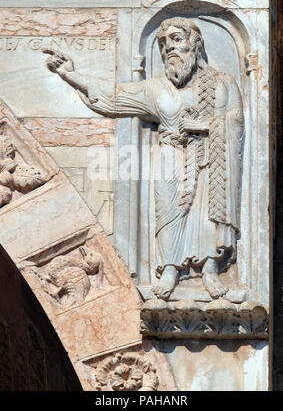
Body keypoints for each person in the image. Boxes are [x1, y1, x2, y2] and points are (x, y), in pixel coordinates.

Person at [42, 17, 244, 301]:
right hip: (170, 155)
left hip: (209, 159)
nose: (169, 48)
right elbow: (114, 96)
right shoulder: (157, 88)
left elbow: (236, 120)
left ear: (194, 43)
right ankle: (171, 270)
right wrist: (70, 74)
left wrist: (207, 126)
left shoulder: (222, 83)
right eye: (163, 44)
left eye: (176, 40)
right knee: (167, 210)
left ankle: (210, 270)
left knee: (205, 213)